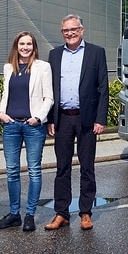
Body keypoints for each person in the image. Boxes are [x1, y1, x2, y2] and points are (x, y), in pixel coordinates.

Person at [44, 14, 109, 231]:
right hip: (62, 118)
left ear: (81, 30)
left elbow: (103, 89)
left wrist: (100, 119)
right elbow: (51, 90)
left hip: (87, 119)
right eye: (65, 31)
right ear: (62, 32)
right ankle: (61, 213)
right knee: (62, 168)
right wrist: (50, 119)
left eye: (73, 30)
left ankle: (85, 212)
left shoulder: (96, 52)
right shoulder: (54, 55)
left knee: (87, 167)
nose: (69, 34)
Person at [0, 31, 53, 232]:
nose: (25, 47)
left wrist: (38, 118)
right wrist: (1, 113)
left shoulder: (43, 67)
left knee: (34, 171)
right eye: (22, 44)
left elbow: (49, 98)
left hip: (33, 126)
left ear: (34, 46)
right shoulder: (8, 67)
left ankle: (29, 215)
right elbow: (5, 94)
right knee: (12, 171)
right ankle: (14, 215)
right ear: (16, 46)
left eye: (29, 44)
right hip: (10, 125)